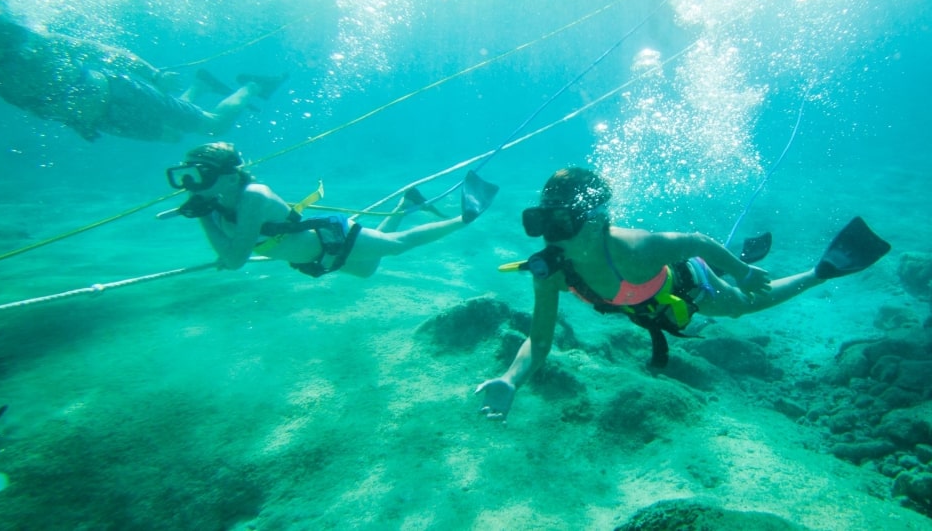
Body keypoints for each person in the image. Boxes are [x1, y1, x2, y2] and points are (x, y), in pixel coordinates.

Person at [476, 167, 891, 421]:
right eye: (542, 223)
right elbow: (541, 339)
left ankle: (822, 271)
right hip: (640, 307)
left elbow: (697, 241)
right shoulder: (550, 271)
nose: (551, 236)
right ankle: (749, 263)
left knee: (742, 308)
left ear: (595, 222)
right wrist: (512, 379)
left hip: (687, 282)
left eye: (561, 224)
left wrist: (743, 272)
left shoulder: (638, 249)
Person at [0, 0, 284, 142]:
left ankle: (252, 86)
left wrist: (152, 74)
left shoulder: (37, 41)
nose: (6, 40)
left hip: (120, 92)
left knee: (212, 128)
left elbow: (101, 51)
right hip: (96, 117)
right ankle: (199, 85)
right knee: (172, 136)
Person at [166, 142, 481, 277]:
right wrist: (208, 213)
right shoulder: (218, 199)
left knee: (397, 247)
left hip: (330, 241)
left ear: (230, 176)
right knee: (370, 269)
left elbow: (235, 259)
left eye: (200, 175)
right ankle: (407, 202)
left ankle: (464, 217)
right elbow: (233, 251)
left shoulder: (253, 197)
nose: (191, 183)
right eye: (187, 175)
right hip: (315, 256)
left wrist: (205, 219)